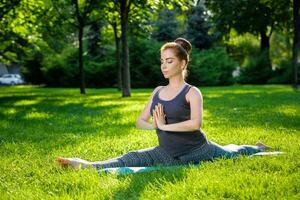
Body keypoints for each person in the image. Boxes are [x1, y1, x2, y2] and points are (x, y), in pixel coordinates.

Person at [57, 38, 271, 170]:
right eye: (162, 61)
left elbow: (195, 124)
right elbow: (140, 121)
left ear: (183, 63)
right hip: (166, 152)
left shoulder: (192, 92)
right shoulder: (158, 92)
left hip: (198, 150)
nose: (164, 66)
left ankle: (256, 147)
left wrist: (164, 126)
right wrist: (154, 126)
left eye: (169, 61)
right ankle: (87, 165)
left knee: (232, 153)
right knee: (131, 157)